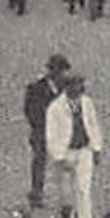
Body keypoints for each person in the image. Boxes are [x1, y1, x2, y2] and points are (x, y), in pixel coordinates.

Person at [45, 76, 104, 218]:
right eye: (75, 85)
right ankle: (67, 215)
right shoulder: (55, 108)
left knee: (83, 188)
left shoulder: (87, 103)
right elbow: (51, 135)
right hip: (66, 152)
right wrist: (59, 157)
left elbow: (93, 124)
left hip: (84, 150)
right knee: (66, 190)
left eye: (80, 85)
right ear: (68, 87)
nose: (79, 89)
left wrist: (97, 147)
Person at [23, 56, 70, 207]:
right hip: (41, 133)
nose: (60, 75)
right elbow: (30, 111)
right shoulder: (36, 88)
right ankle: (37, 193)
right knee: (39, 162)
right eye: (57, 71)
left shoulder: (67, 89)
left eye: (62, 71)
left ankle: (65, 194)